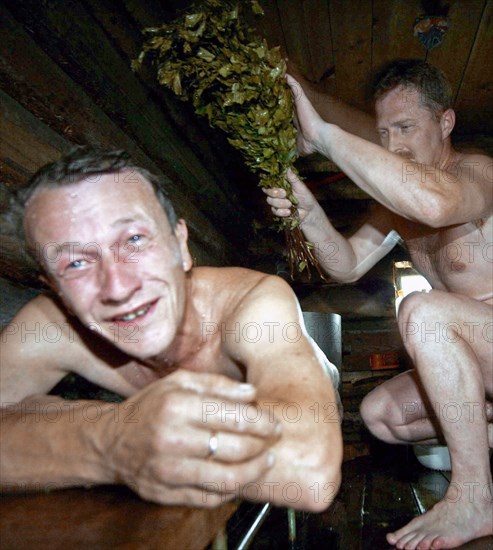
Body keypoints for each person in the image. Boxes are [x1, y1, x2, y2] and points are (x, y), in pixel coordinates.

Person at [0, 147, 342, 511]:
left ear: (181, 245)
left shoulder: (252, 303)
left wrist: (61, 433)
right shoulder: (52, 325)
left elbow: (309, 471)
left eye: (134, 239)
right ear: (57, 291)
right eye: (76, 263)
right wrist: (108, 441)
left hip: (318, 383)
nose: (117, 287)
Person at [265, 60, 492, 549]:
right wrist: (303, 205)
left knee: (424, 311)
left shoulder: (476, 172)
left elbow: (435, 204)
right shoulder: (395, 208)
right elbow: (344, 265)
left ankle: (475, 497)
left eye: (406, 127)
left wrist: (325, 136)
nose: (393, 145)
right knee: (380, 415)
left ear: (445, 123)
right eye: (384, 132)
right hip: (479, 368)